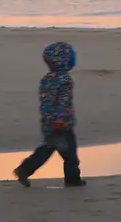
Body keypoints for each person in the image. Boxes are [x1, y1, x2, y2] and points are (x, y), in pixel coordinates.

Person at [15, 41, 85, 187]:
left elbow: (46, 101)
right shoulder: (64, 80)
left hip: (47, 121)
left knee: (48, 148)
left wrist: (49, 118)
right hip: (61, 124)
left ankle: (25, 169)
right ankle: (72, 179)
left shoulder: (47, 78)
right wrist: (60, 119)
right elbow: (63, 102)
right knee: (69, 155)